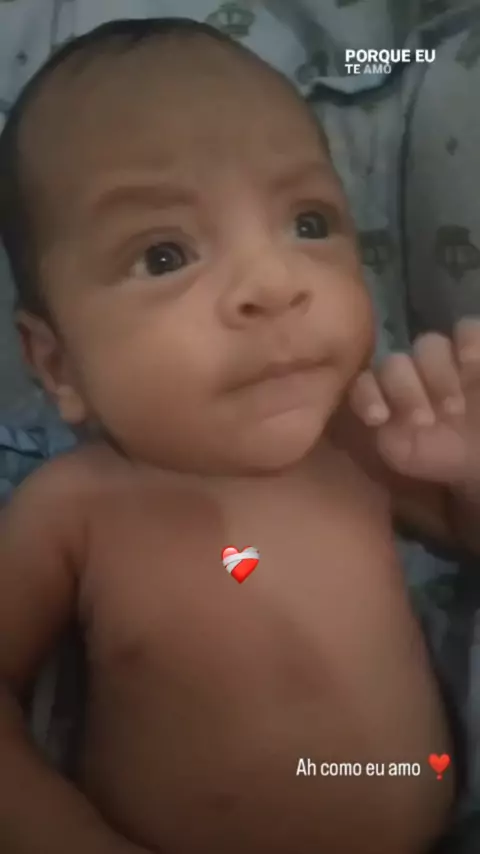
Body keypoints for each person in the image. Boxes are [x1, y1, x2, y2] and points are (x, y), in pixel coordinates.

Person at [0, 17, 479, 854]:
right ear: (57, 363)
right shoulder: (71, 509)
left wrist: (467, 472)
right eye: (163, 256)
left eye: (309, 224)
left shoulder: (362, 442)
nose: (274, 283)